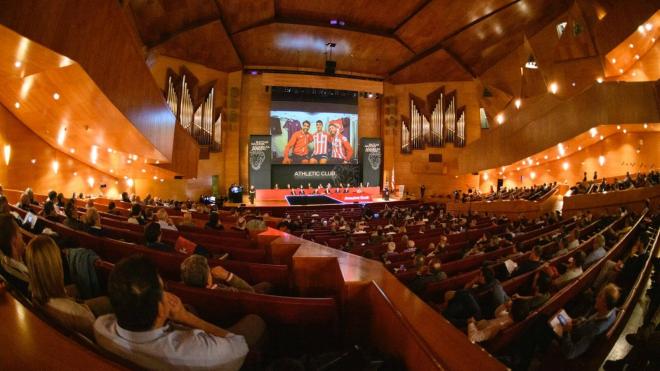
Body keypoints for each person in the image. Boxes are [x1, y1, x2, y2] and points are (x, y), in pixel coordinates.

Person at [94, 255, 265, 370]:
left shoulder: (101, 326)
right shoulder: (197, 352)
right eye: (163, 289)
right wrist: (186, 317)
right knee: (256, 320)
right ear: (161, 309)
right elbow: (239, 344)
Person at [25, 235, 96, 337]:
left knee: (76, 288)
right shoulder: (81, 315)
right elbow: (92, 331)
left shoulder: (32, 291)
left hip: (58, 300)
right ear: (57, 264)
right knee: (106, 302)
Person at [180, 255, 271, 293]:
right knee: (267, 285)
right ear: (207, 279)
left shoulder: (185, 286)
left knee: (265, 285)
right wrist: (228, 276)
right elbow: (250, 293)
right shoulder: (225, 292)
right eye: (208, 267)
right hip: (243, 300)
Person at [0, 214, 29, 295]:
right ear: (14, 240)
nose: (22, 236)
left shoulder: (4, 264)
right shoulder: (26, 280)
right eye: (19, 233)